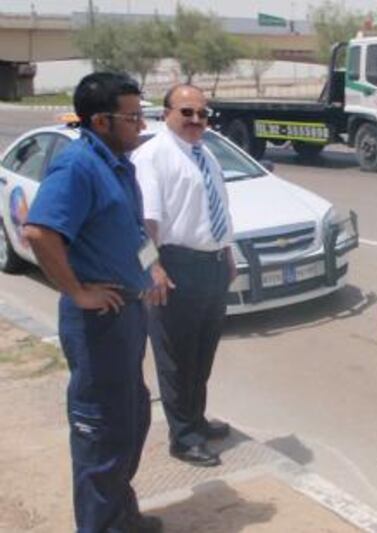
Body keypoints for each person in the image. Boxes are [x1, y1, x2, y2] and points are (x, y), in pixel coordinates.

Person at [23, 72, 161, 532]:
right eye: (133, 116)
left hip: (127, 310)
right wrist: (77, 292)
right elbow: (40, 232)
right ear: (101, 121)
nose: (141, 125)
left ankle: (121, 516)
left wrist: (152, 268)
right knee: (100, 431)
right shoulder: (78, 165)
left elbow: (134, 232)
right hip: (99, 318)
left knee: (131, 418)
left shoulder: (119, 164)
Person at [131, 84, 236, 467]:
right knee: (176, 357)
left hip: (210, 266)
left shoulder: (205, 154)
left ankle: (196, 419)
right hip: (174, 265)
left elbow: (217, 209)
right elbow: (144, 223)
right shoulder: (153, 157)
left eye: (202, 114)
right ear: (167, 113)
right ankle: (184, 436)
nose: (195, 120)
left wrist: (227, 253)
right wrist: (152, 267)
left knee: (202, 353)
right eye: (186, 112)